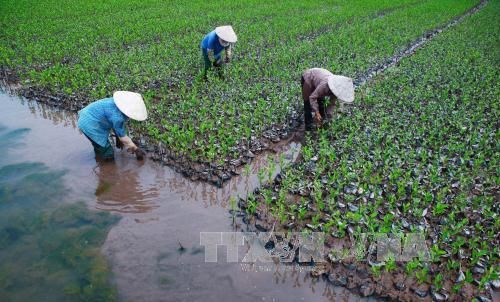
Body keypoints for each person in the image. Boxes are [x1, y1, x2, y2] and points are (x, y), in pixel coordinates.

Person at [78, 91, 147, 161]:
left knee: (98, 146)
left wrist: (118, 137)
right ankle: (106, 167)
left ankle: (99, 158)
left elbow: (115, 125)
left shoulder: (114, 102)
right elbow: (123, 137)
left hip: (86, 115)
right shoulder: (118, 117)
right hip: (90, 125)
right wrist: (136, 149)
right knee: (108, 152)